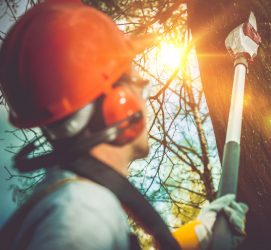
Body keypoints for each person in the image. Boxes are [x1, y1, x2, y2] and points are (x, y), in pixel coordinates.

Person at [0, 0, 248, 249]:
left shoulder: (70, 202)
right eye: (142, 86)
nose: (145, 100)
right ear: (119, 104)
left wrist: (199, 233)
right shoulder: (84, 215)